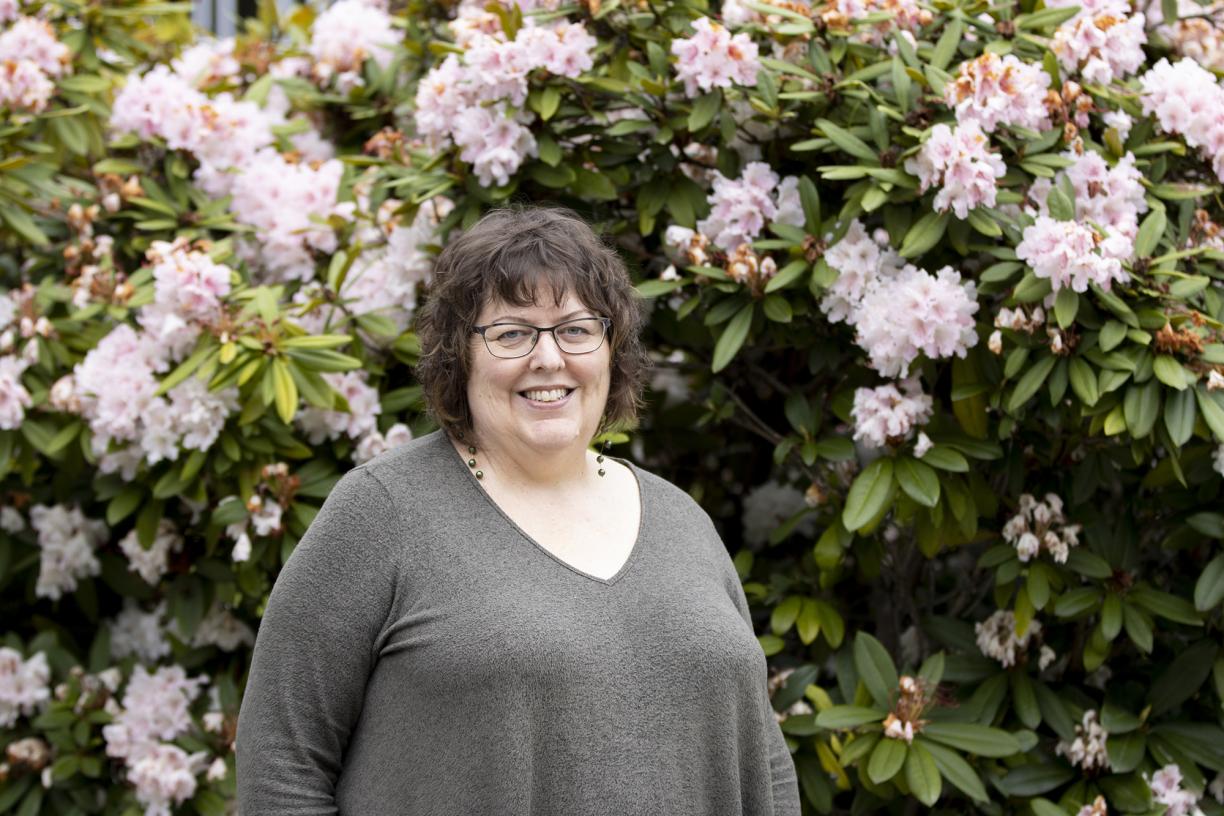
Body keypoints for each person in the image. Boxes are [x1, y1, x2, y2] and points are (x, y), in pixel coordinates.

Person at [235, 206, 802, 815]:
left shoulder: (682, 520)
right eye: (511, 333)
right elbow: (280, 766)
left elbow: (764, 768)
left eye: (577, 329)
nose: (549, 358)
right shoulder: (383, 513)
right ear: (460, 356)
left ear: (611, 349)